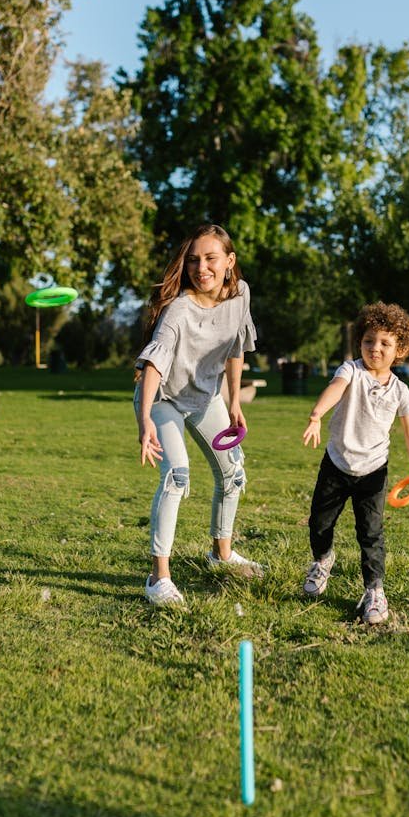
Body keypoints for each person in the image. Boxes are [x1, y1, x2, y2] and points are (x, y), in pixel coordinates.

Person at [134, 223, 262, 605]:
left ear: (229, 261)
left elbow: (236, 347)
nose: (201, 268)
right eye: (193, 260)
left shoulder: (240, 294)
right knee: (177, 475)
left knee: (234, 473)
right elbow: (154, 368)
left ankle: (221, 555)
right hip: (162, 399)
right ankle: (159, 579)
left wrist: (235, 400)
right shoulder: (179, 310)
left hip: (205, 397)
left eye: (210, 258)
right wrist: (145, 422)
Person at [301, 301, 409, 624]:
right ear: (360, 341)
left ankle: (374, 591)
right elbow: (335, 388)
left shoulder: (401, 391)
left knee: (371, 533)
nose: (375, 348)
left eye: (385, 343)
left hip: (373, 470)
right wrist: (317, 414)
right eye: (369, 340)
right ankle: (322, 559)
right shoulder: (351, 370)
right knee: (319, 523)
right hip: (337, 463)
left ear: (400, 349)